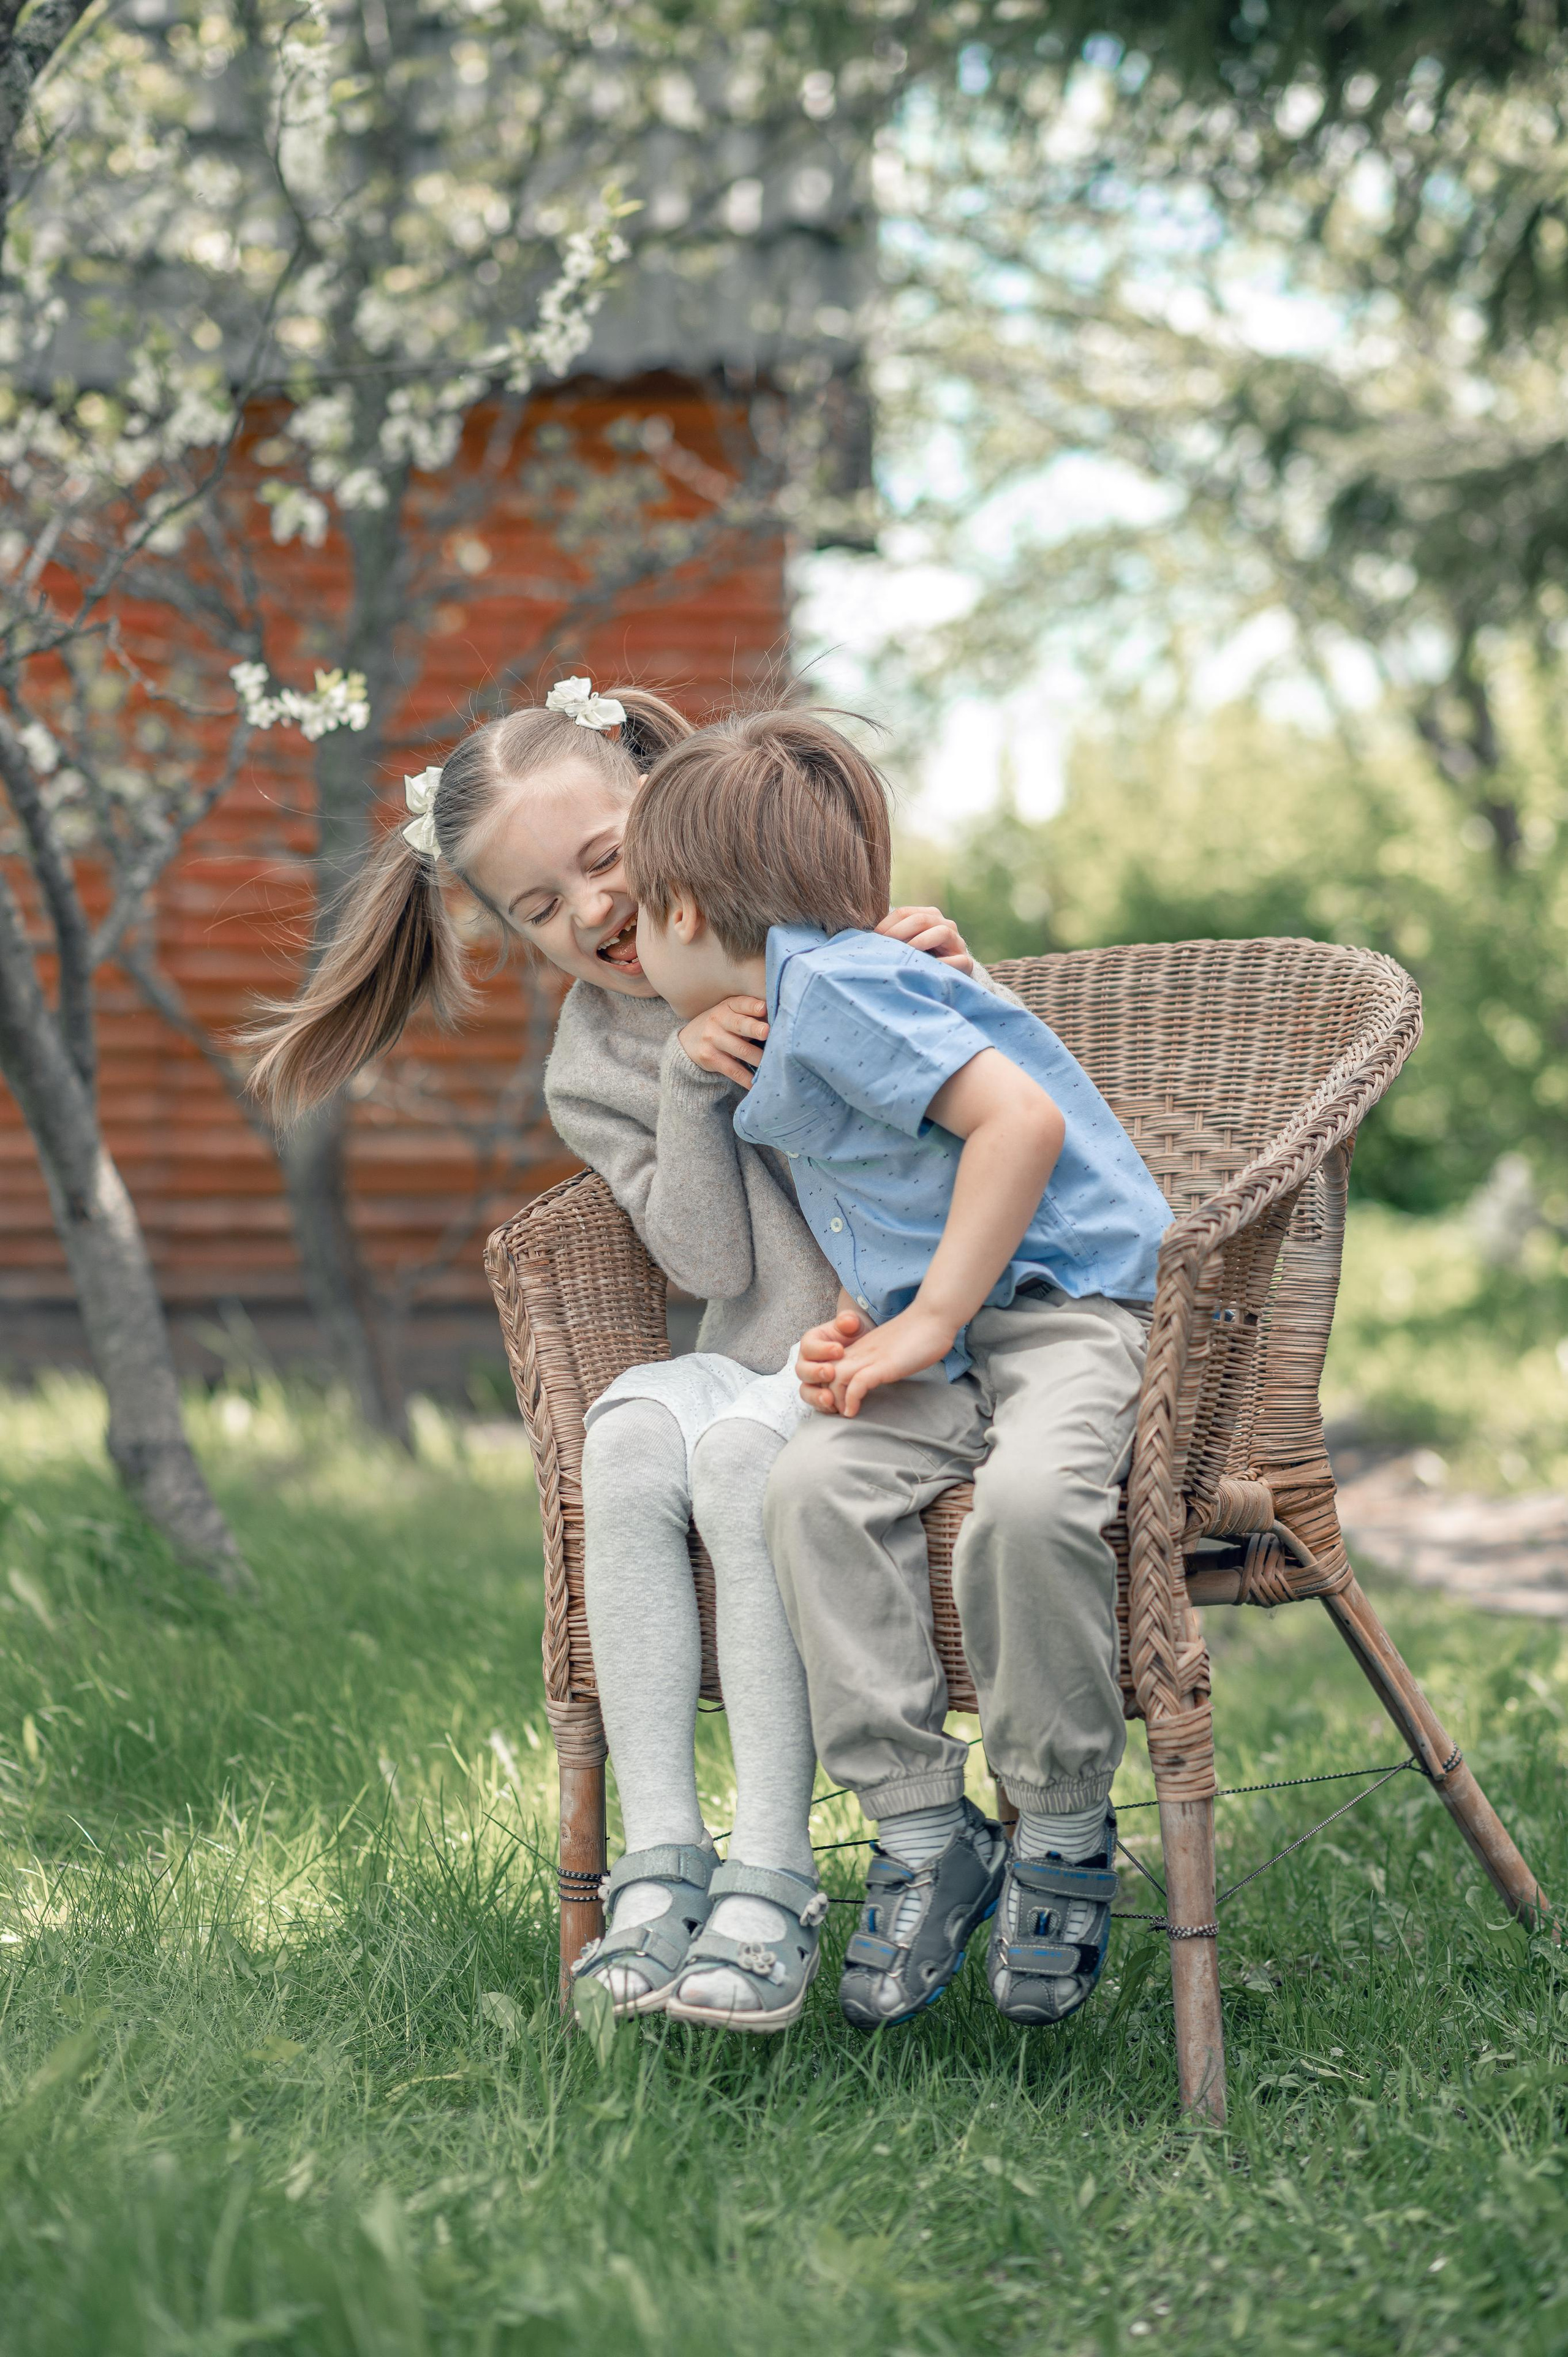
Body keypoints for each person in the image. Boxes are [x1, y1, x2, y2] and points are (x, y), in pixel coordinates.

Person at [246, 674, 981, 2032]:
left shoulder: (821, 931)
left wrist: (949, 970)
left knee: (743, 1451)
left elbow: (979, 1124)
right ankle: (664, 1863)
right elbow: (702, 1268)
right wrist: (685, 1080)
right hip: (756, 1338)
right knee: (633, 1430)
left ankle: (773, 1869)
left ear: (658, 795)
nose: (588, 911)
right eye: (536, 907)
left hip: (888, 1351)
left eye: (601, 860)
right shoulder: (591, 1063)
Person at [624, 707, 1173, 2031]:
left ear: (684, 911)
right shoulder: (795, 1002)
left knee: (1029, 1509)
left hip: (1064, 1307)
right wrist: (865, 1320)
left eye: (635, 914)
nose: (629, 943)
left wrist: (924, 1319)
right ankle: (927, 1828)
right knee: (807, 1487)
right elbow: (897, 1191)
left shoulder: (836, 993)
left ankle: (1055, 1819)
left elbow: (1018, 1121)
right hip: (944, 1323)